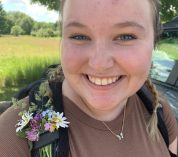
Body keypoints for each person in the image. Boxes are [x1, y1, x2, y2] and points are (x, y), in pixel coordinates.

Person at [0, 0, 177, 156]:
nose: (99, 64)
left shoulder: (158, 109)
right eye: (79, 36)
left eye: (126, 36)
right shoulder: (15, 134)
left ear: (155, 42)